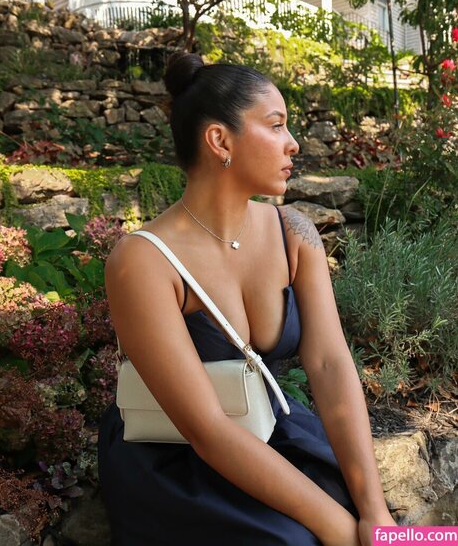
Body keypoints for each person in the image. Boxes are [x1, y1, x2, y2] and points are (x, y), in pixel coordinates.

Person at [98, 51, 397, 546]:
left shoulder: (295, 232)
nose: (293, 142)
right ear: (220, 140)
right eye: (276, 125)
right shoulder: (141, 261)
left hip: (268, 425)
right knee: (302, 539)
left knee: (374, 523)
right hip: (176, 458)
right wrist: (338, 528)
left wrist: (373, 510)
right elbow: (207, 429)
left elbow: (329, 364)